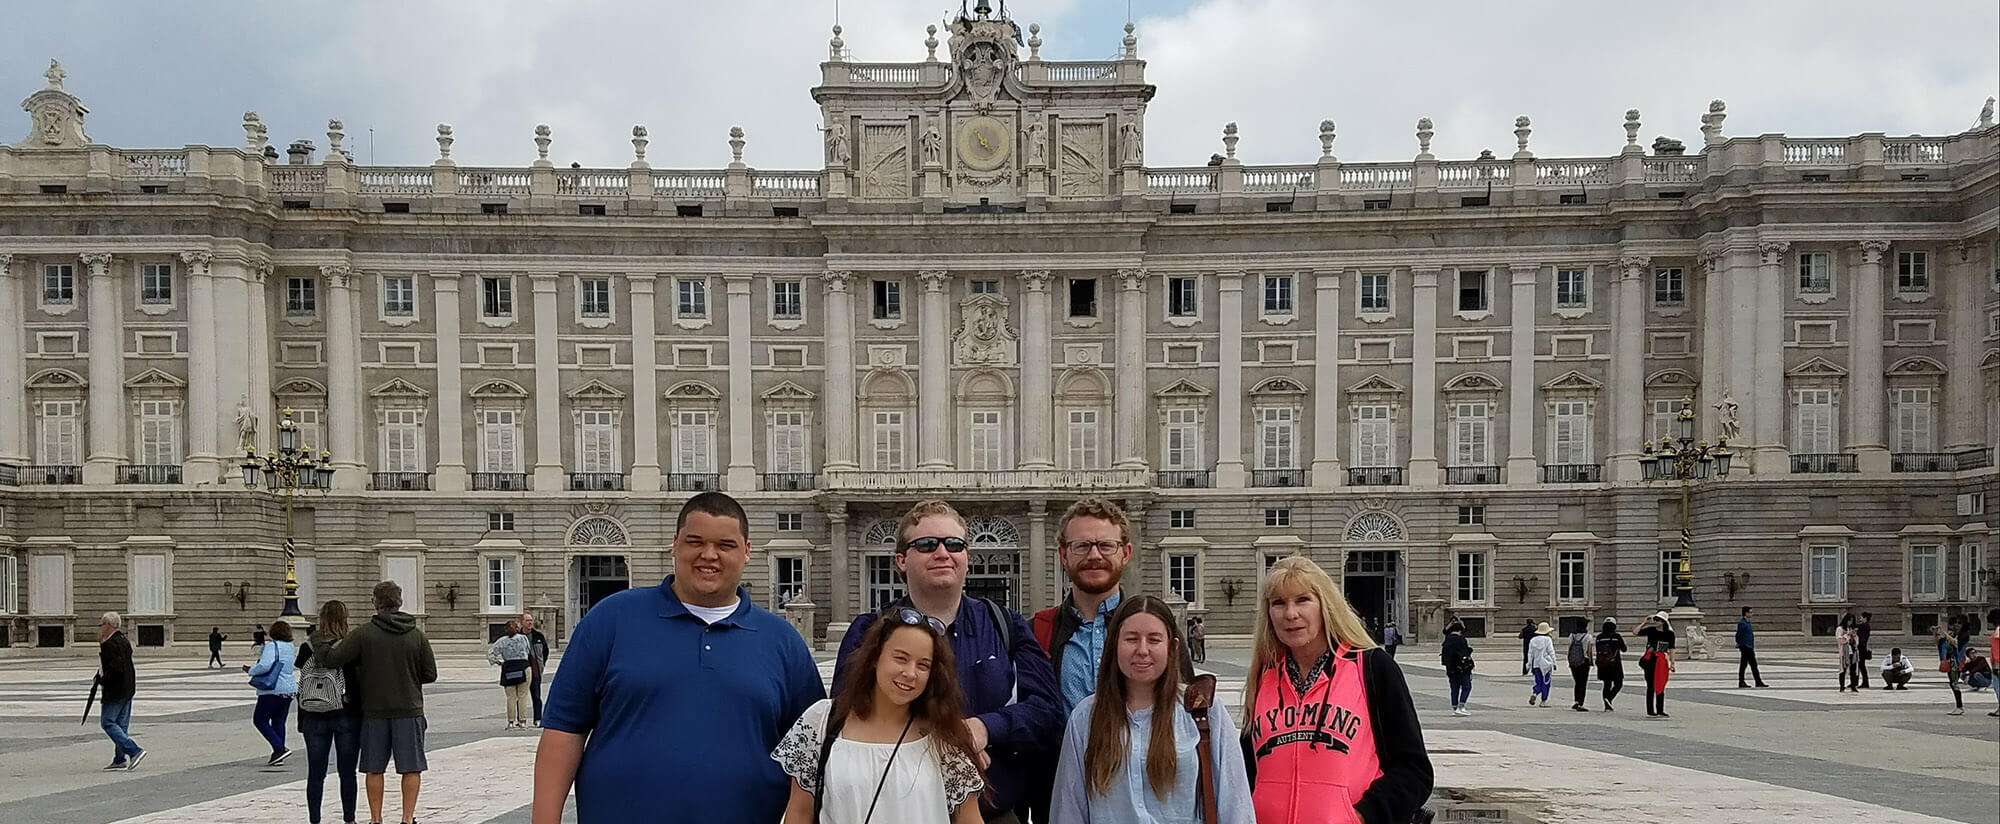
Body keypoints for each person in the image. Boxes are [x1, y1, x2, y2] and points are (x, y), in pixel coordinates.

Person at [534, 492, 824, 824]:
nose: (709, 555)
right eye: (695, 541)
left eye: (725, 545)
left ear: (746, 552)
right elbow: (564, 731)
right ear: (675, 544)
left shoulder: (782, 641)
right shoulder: (611, 620)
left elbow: (810, 752)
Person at [834, 499, 1062, 824]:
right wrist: (947, 739)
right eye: (927, 544)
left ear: (967, 557)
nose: (942, 553)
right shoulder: (868, 632)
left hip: (992, 815)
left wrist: (985, 728)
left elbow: (1046, 712)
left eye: (954, 544)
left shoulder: (1006, 625)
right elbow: (845, 718)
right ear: (901, 560)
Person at [1239, 557, 1432, 824]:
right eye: (1278, 603)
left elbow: (1414, 770)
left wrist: (1362, 816)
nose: (1290, 614)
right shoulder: (1263, 677)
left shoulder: (1372, 668)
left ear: (1325, 605)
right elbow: (1245, 773)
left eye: (1303, 600)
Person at [1050, 596, 1254, 824]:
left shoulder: (1202, 710)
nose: (1142, 650)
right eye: (1131, 639)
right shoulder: (1085, 717)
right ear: (1114, 644)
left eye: (1154, 640)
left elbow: (1235, 802)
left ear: (1172, 647)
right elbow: (1068, 808)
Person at [773, 607, 986, 824]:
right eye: (901, 658)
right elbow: (799, 813)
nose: (910, 673)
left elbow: (970, 819)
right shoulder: (821, 721)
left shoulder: (943, 735)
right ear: (875, 656)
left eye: (923, 665)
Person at [1030, 498, 1192, 718]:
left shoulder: (1159, 631)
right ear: (1063, 555)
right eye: (1082, 546)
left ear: (1125, 553)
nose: (1094, 555)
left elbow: (1187, 708)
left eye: (1106, 545)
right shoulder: (1037, 632)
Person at [317, 581, 440, 824]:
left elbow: (333, 659)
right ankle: (407, 818)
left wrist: (317, 638)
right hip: (409, 709)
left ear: (375, 602)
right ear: (400, 602)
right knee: (411, 768)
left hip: (374, 711)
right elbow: (430, 674)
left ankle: (376, 819)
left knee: (374, 768)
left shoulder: (364, 633)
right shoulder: (416, 635)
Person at [297, 600, 361, 824]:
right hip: (346, 713)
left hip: (313, 714)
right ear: (345, 619)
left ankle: (315, 819)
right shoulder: (351, 646)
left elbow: (303, 680)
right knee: (347, 772)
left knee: (316, 773)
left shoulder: (308, 647)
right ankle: (349, 819)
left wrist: (301, 720)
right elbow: (358, 682)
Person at [246, 620, 300, 766]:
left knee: (260, 720)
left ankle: (280, 748)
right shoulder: (290, 647)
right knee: (279, 721)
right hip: (289, 689)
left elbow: (264, 665)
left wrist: (251, 670)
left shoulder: (272, 646)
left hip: (273, 689)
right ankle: (278, 755)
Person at [96, 612, 145, 771]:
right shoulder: (124, 641)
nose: (100, 628)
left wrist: (102, 680)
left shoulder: (109, 645)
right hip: (127, 689)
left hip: (115, 691)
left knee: (108, 722)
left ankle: (134, 750)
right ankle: (119, 758)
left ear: (108, 625)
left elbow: (113, 669)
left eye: (101, 625)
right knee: (121, 725)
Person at [487, 619, 533, 730]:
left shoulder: (502, 641)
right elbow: (528, 650)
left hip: (509, 668)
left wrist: (499, 662)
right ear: (517, 629)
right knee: (523, 696)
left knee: (511, 697)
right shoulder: (523, 638)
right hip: (523, 667)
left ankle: (511, 722)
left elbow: (491, 654)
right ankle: (522, 721)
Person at [1635, 612, 1676, 718]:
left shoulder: (1669, 634)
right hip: (1650, 659)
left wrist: (1672, 663)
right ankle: (1650, 710)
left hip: (1661, 659)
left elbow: (1672, 648)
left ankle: (1660, 709)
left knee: (1661, 683)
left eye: (1658, 620)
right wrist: (1644, 623)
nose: (1655, 621)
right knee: (1650, 685)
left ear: (1663, 622)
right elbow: (1635, 632)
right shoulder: (1651, 630)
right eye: (1655, 619)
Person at [522, 612, 550, 727]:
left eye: (531, 620)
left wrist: (541, 664)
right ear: (522, 622)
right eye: (527, 620)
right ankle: (521, 720)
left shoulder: (538, 636)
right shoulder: (517, 636)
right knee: (521, 697)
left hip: (535, 670)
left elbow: (545, 651)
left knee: (536, 696)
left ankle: (538, 719)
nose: (530, 622)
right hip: (522, 670)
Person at [1441, 620, 1474, 716]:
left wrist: (1450, 624)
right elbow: (1465, 652)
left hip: (1450, 668)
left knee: (1454, 688)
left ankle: (1455, 707)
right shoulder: (1461, 640)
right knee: (1466, 687)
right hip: (1462, 667)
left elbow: (1445, 631)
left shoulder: (1447, 640)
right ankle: (1461, 706)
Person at [1933, 623, 1967, 716]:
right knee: (1952, 684)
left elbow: (1955, 643)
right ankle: (1958, 706)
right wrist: (1936, 634)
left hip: (1955, 663)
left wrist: (1944, 633)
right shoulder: (1947, 638)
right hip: (1949, 663)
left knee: (1954, 684)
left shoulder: (1960, 637)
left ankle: (1959, 706)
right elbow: (1939, 643)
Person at [1595, 618, 1627, 712]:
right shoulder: (1616, 636)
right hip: (1615, 663)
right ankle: (1609, 699)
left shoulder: (1599, 637)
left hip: (1603, 663)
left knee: (1606, 684)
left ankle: (1607, 703)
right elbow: (1624, 648)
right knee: (1618, 683)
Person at [1735, 607, 1768, 688]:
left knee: (1746, 665)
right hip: (1746, 646)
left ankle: (1749, 681)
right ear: (1746, 613)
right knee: (1751, 665)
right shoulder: (1742, 623)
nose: (1752, 614)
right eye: (1750, 612)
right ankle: (1755, 681)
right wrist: (1739, 643)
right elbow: (1738, 634)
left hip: (1749, 646)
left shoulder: (1747, 623)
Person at [1526, 622, 1556, 707]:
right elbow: (1551, 651)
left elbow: (1530, 653)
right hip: (1546, 664)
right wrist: (1554, 662)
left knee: (1538, 681)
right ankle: (1544, 701)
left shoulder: (1533, 640)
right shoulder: (1547, 640)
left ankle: (1535, 692)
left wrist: (1529, 664)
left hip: (1536, 664)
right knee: (1546, 682)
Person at [1565, 626, 1594, 712]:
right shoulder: (1588, 637)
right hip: (1583, 661)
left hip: (1573, 661)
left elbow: (1569, 648)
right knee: (1583, 683)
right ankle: (1580, 703)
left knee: (1577, 682)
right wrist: (1591, 661)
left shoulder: (1572, 636)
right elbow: (1589, 651)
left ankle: (1576, 701)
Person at [1836, 623, 1863, 693]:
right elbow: (1840, 641)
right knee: (1843, 669)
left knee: (1853, 670)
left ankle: (1853, 685)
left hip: (1853, 653)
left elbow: (1856, 642)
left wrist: (1853, 636)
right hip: (1845, 653)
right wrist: (1847, 635)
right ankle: (1842, 686)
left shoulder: (1853, 633)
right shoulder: (1840, 629)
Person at [1855, 611, 1874, 689]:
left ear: (1865, 618)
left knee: (1861, 666)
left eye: (1861, 617)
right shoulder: (1865, 626)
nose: (1860, 619)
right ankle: (1861, 682)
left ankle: (1864, 682)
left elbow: (1856, 626)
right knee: (1860, 666)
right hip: (1862, 648)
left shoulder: (1864, 626)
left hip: (1861, 648)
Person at [1987, 608, 2000, 717]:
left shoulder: (1998, 630)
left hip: (1998, 662)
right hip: (1996, 661)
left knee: (1997, 686)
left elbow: (1997, 647)